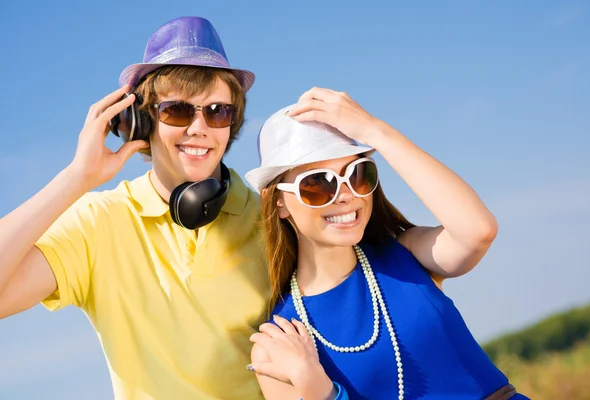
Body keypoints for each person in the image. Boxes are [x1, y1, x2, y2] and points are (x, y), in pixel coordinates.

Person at [0, 16, 269, 399]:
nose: (199, 127)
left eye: (217, 111)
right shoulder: (99, 222)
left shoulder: (272, 219)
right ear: (140, 122)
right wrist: (77, 177)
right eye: (177, 110)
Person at [244, 88, 529, 399]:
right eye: (316, 184)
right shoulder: (278, 344)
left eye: (357, 174)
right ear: (278, 203)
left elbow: (477, 230)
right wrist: (317, 389)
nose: (345, 194)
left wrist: (374, 131)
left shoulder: (407, 257)